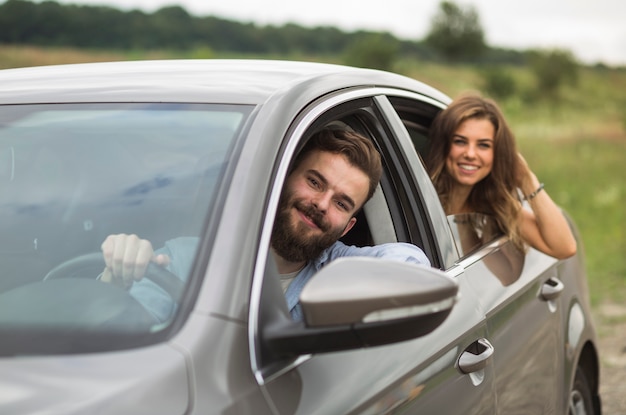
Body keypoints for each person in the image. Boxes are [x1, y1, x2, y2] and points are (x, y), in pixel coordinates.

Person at [101, 129, 430, 322]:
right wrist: (115, 280)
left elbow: (412, 264)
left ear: (346, 228)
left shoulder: (338, 269)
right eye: (315, 182)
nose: (321, 204)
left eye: (341, 203)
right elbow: (126, 332)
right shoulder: (185, 258)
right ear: (281, 180)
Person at [425, 93, 577, 259]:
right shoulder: (420, 197)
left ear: (497, 153)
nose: (470, 154)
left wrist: (527, 180)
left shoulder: (492, 204)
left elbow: (564, 248)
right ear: (444, 145)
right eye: (460, 141)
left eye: (483, 145)